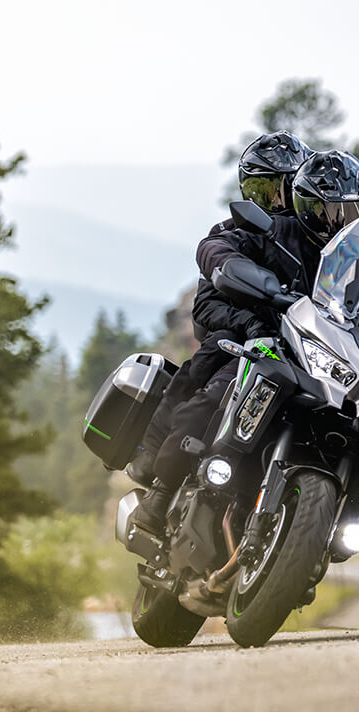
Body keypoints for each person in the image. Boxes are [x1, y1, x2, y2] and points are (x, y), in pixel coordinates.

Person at [131, 149, 359, 533]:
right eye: (328, 210)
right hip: (273, 343)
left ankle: (352, 512)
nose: (338, 222)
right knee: (218, 387)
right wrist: (246, 291)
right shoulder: (272, 234)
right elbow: (217, 252)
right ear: (304, 204)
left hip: (337, 362)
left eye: (353, 212)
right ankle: (161, 494)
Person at [125, 131, 313, 486]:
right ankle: (156, 467)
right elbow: (207, 303)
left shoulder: (319, 243)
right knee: (212, 371)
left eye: (280, 188)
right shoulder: (236, 232)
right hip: (247, 343)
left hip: (309, 352)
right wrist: (251, 322)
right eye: (261, 191)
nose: (272, 200)